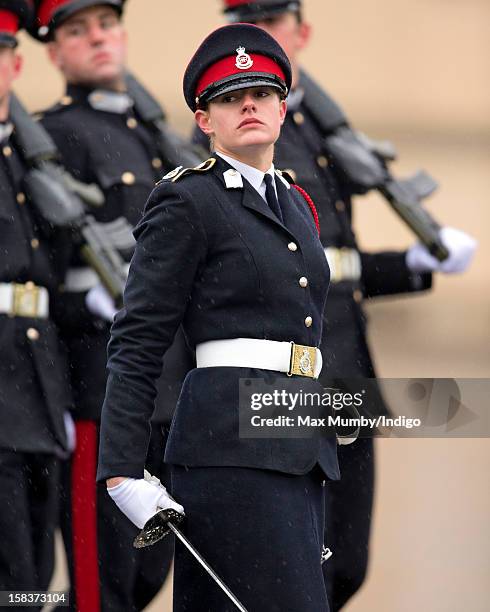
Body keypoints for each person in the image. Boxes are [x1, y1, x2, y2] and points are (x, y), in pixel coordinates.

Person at [189, 2, 477, 610]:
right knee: (293, 560)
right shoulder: (241, 134)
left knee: (346, 561)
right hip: (283, 375)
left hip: (347, 362)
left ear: (303, 31)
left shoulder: (320, 127)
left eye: (273, 18)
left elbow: (331, 269)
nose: (261, 30)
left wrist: (413, 265)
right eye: (246, 17)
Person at [97, 22, 342, 611]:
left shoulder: (296, 203)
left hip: (298, 438)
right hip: (230, 443)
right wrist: (122, 470)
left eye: (260, 94)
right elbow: (138, 338)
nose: (248, 105)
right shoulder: (188, 200)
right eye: (229, 99)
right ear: (205, 121)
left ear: (283, 109)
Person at [28, 1, 196, 609]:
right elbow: (34, 274)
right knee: (104, 582)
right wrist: (85, 300)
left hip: (171, 387)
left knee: (151, 572)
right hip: (97, 384)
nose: (97, 38)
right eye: (78, 31)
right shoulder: (50, 138)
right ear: (53, 53)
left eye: (106, 24)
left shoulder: (157, 137)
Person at [0, 1, 72, 603]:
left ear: (16, 65)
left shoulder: (30, 159)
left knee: (39, 583)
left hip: (39, 393)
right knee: (13, 585)